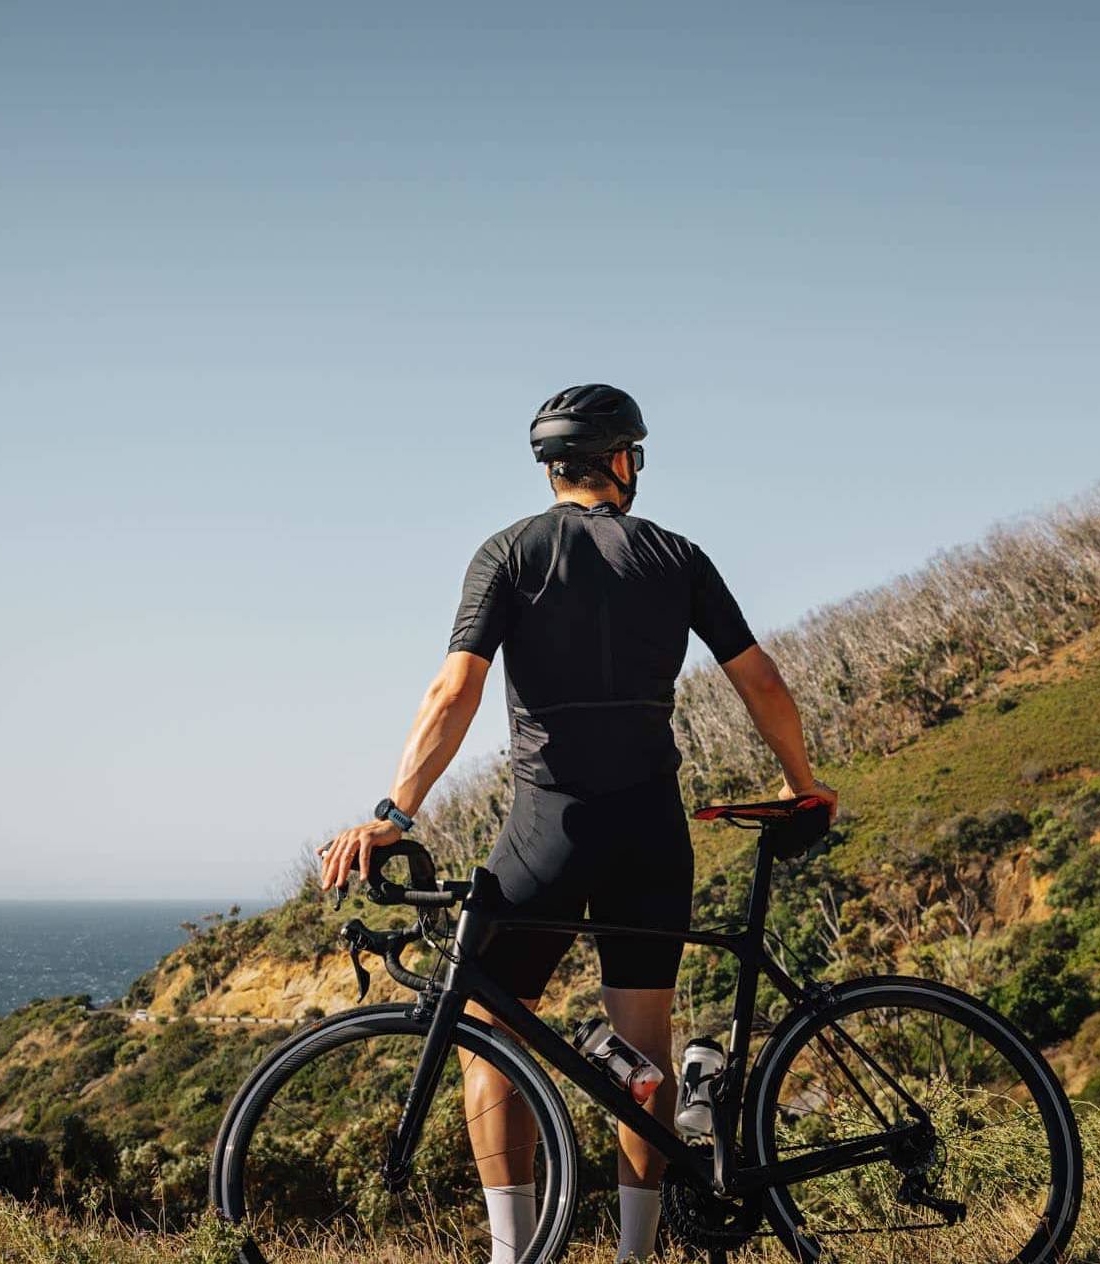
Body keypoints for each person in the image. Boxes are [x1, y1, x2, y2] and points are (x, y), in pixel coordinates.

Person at [317, 384, 835, 1263]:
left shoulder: (509, 552)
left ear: (554, 468)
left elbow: (455, 688)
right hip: (651, 835)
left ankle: (513, 1252)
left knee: (492, 1033)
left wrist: (395, 812)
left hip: (550, 833)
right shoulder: (677, 555)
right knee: (644, 1052)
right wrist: (802, 783)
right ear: (623, 461)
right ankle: (637, 1253)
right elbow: (761, 680)